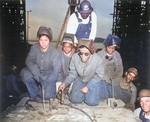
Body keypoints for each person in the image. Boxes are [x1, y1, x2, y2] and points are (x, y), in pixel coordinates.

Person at [59, 39, 108, 106]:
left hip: (93, 80)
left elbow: (99, 76)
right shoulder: (74, 57)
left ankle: (97, 91)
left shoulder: (98, 60)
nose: (83, 56)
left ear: (91, 52)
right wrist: (65, 83)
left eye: (86, 54)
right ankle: (83, 94)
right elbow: (73, 73)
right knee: (74, 100)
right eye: (80, 53)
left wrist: (88, 87)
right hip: (80, 79)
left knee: (91, 102)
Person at [20, 26, 61, 101]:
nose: (43, 42)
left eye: (46, 40)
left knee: (47, 97)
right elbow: (29, 61)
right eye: (41, 40)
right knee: (24, 73)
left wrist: (46, 82)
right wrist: (37, 75)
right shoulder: (34, 48)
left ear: (49, 40)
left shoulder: (54, 53)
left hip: (49, 75)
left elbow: (56, 71)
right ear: (38, 39)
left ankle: (41, 89)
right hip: (37, 73)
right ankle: (34, 94)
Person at [98, 34, 123, 99]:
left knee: (115, 97)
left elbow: (120, 68)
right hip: (102, 79)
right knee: (103, 97)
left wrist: (116, 79)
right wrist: (104, 77)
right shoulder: (99, 54)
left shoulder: (117, 54)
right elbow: (96, 69)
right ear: (106, 46)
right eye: (109, 48)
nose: (111, 50)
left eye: (113, 48)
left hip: (113, 79)